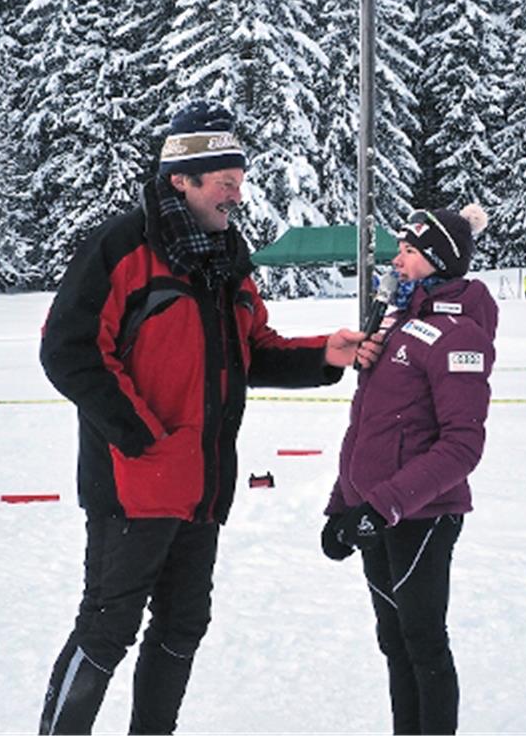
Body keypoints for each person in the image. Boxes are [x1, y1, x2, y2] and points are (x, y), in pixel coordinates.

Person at [37, 100, 367, 735]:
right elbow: (68, 350)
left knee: (184, 627)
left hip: (203, 490)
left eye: (239, 183)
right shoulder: (123, 247)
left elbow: (251, 351)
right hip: (133, 487)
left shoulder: (226, 260)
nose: (236, 196)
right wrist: (140, 438)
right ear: (181, 180)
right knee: (107, 628)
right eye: (225, 183)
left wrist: (323, 354)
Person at [321, 204, 497, 735]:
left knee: (422, 641)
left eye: (409, 251)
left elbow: (463, 444)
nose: (396, 259)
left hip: (421, 513)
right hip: (372, 512)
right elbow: (368, 427)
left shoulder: (459, 332)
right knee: (394, 641)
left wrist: (385, 504)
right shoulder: (399, 321)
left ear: (437, 260)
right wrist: (342, 505)